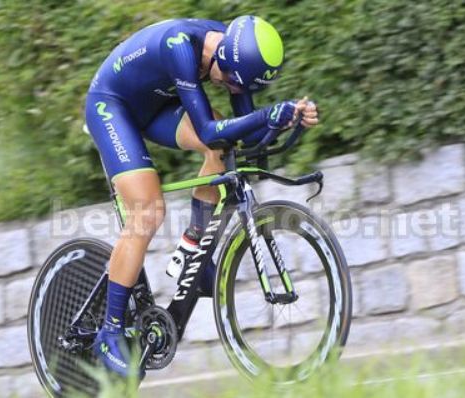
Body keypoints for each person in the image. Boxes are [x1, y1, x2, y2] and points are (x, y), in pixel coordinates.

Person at [84, 15, 319, 379]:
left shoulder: (232, 59)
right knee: (147, 211)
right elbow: (209, 130)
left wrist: (286, 121)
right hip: (112, 106)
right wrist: (267, 115)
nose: (232, 89)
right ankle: (109, 330)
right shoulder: (180, 46)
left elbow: (249, 136)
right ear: (220, 58)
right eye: (231, 83)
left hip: (156, 106)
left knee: (223, 150)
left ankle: (193, 248)